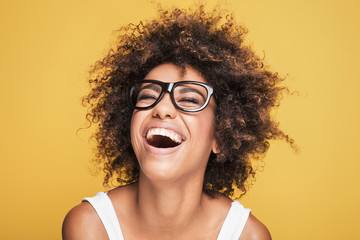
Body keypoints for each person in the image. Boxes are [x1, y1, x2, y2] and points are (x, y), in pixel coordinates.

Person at [62, 5, 292, 240]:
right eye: (148, 96)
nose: (161, 108)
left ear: (220, 135)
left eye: (190, 99)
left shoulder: (247, 235)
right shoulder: (91, 226)